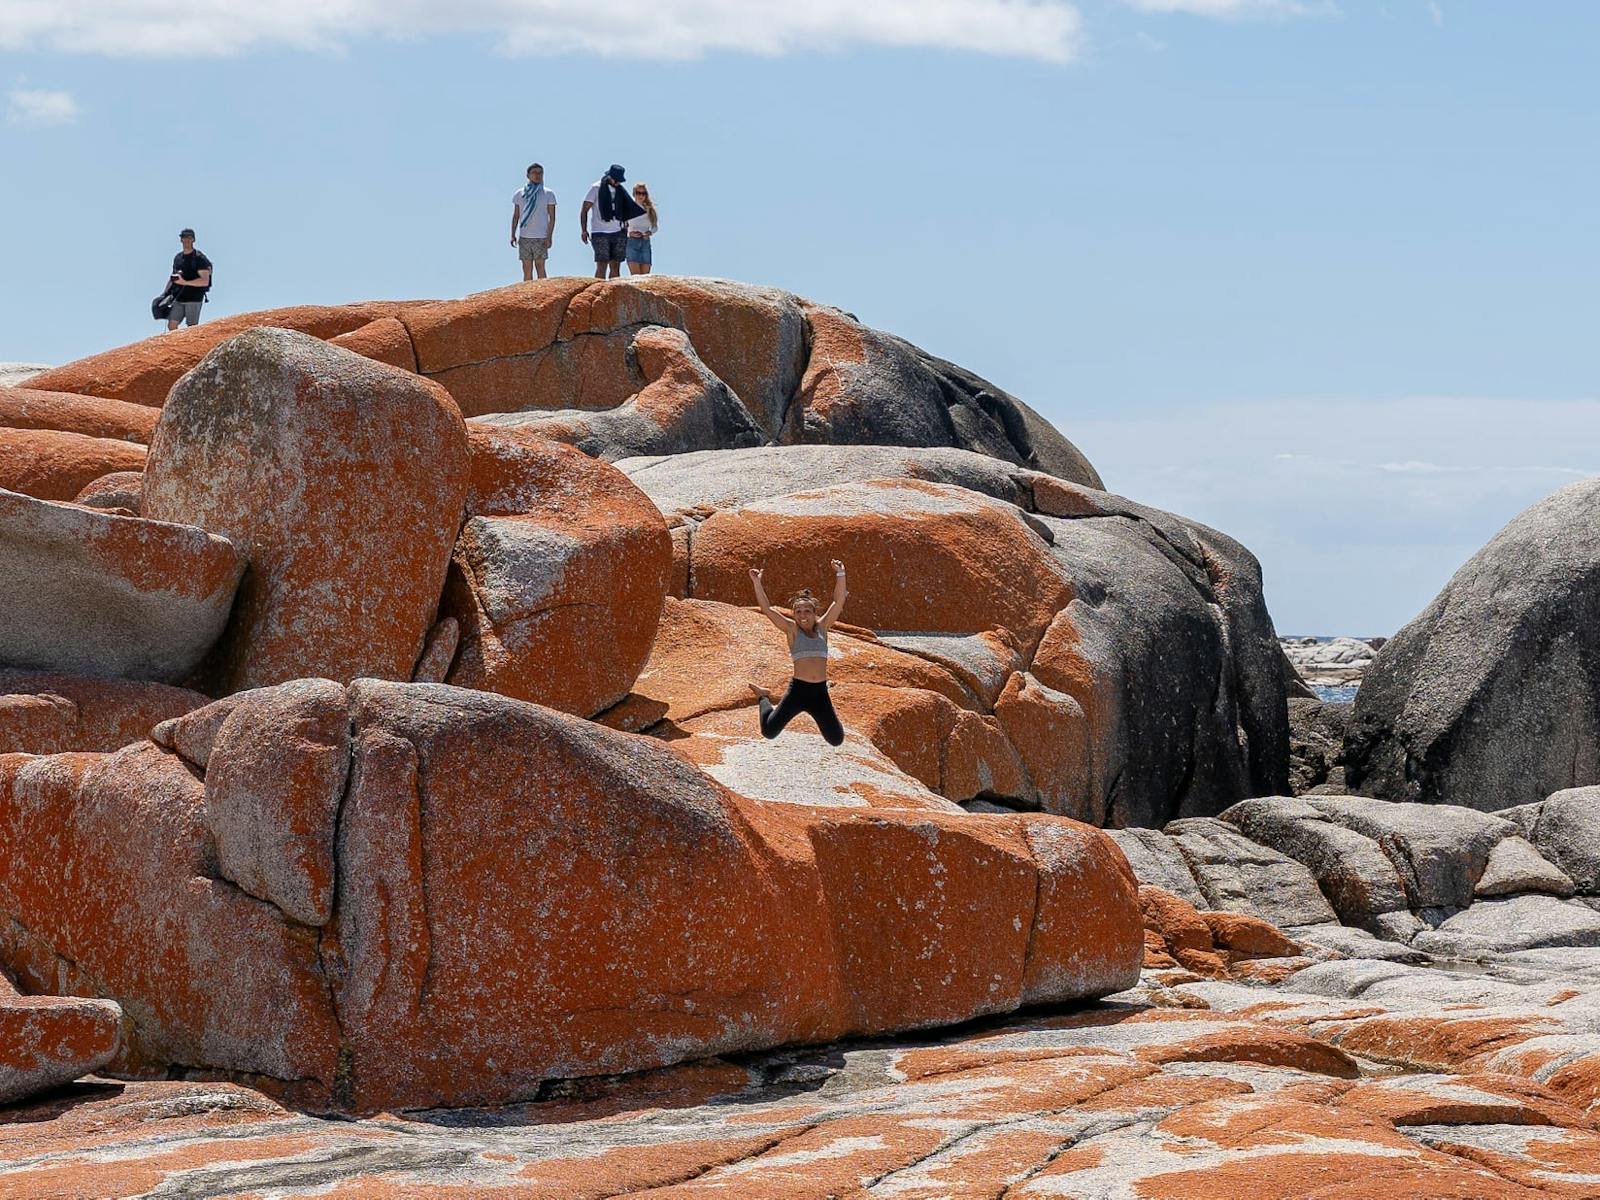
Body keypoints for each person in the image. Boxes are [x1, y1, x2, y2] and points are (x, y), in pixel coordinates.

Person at [747, 561, 849, 746]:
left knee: (836, 739)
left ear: (814, 613)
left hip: (819, 693)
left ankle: (829, 718)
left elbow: (838, 601)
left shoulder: (822, 628)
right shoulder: (792, 630)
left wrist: (841, 574)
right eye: (799, 611)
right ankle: (763, 696)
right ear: (794, 615)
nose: (803, 615)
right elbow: (767, 609)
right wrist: (757, 582)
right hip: (798, 691)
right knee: (769, 731)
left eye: (808, 611)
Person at [580, 164, 645, 280]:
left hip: (618, 231)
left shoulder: (620, 191)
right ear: (609, 176)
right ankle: (598, 292)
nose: (617, 183)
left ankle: (613, 293)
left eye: (619, 181)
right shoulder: (596, 188)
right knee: (602, 264)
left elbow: (627, 207)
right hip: (600, 231)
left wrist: (625, 223)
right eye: (615, 180)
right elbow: (585, 209)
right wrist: (584, 230)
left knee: (615, 265)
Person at [510, 163, 558, 281]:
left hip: (541, 236)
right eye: (534, 173)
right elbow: (516, 216)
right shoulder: (520, 194)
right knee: (527, 268)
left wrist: (549, 236)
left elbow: (552, 217)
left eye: (540, 173)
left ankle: (544, 294)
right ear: (528, 175)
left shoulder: (548, 193)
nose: (538, 176)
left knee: (540, 266)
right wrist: (512, 234)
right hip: (525, 236)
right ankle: (528, 297)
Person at [167, 229, 212, 331]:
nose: (186, 239)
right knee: (172, 325)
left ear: (193, 239)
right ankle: (176, 345)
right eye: (184, 237)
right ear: (181, 240)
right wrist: (165, 294)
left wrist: (185, 282)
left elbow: (205, 280)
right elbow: (173, 277)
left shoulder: (199, 258)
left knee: (192, 328)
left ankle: (191, 346)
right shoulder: (178, 258)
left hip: (194, 298)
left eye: (189, 237)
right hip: (179, 298)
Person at [624, 182, 658, 275]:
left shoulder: (650, 209)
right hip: (632, 242)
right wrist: (629, 233)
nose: (641, 196)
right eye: (638, 193)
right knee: (635, 276)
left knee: (645, 276)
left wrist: (650, 233)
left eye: (643, 193)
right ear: (634, 194)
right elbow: (621, 226)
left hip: (645, 242)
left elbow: (655, 226)